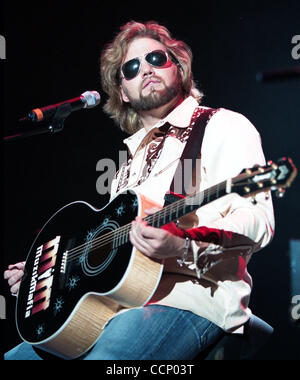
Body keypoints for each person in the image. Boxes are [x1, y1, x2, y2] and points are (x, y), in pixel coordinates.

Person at [4, 20, 274, 360]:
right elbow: (111, 257)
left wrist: (182, 243)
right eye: (131, 68)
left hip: (190, 300)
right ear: (122, 92)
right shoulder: (126, 167)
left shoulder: (222, 126)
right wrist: (44, 276)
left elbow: (258, 220)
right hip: (113, 311)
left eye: (156, 59)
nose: (145, 69)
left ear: (178, 67)